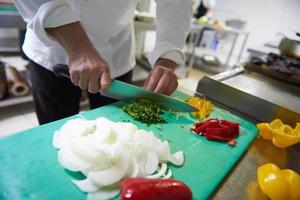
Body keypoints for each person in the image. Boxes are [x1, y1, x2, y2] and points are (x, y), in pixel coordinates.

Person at [11, 1, 193, 125]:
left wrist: (168, 55)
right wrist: (77, 45)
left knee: (114, 133)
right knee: (55, 131)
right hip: (52, 50)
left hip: (116, 50)